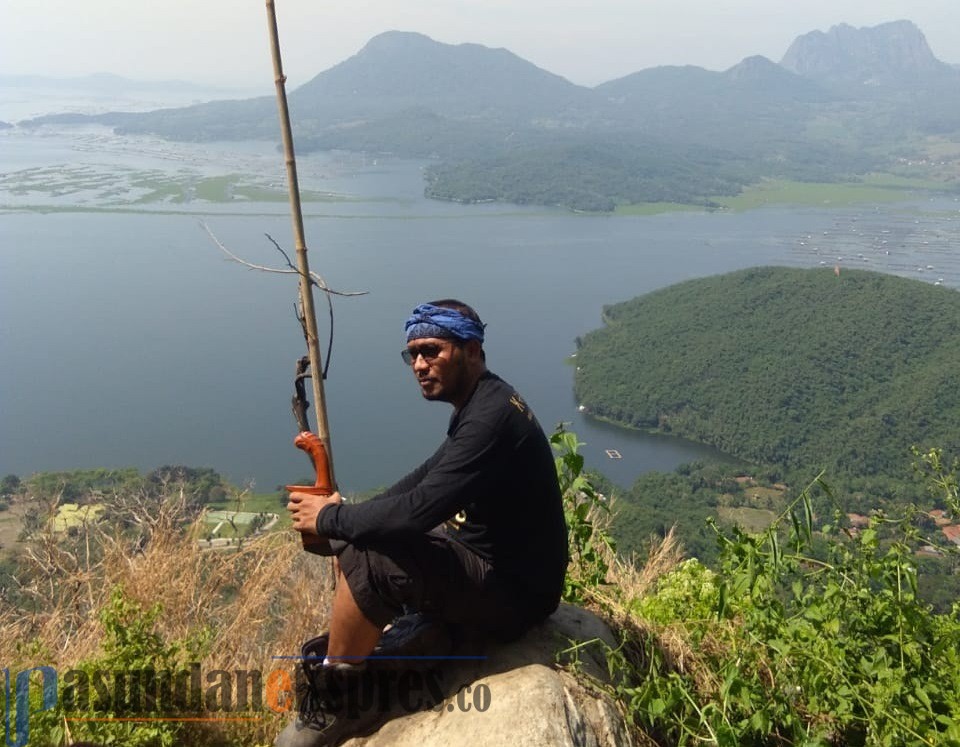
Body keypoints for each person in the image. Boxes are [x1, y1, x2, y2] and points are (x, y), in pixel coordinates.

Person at [278, 299, 568, 746]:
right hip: (501, 573)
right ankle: (412, 638)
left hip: (516, 597)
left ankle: (342, 700)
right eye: (412, 354)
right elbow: (425, 478)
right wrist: (345, 517)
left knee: (375, 555)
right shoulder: (481, 402)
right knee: (365, 533)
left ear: (471, 350)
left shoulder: (490, 419)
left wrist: (333, 518)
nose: (418, 364)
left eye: (432, 350)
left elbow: (418, 511)